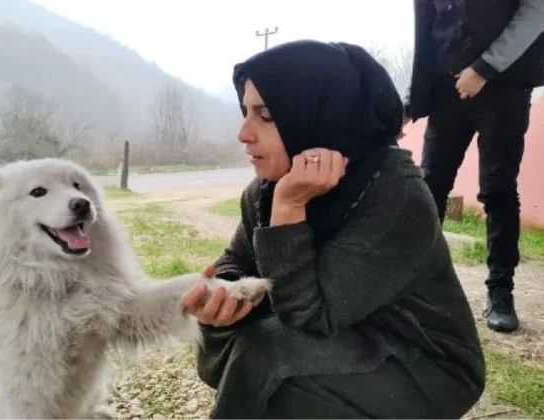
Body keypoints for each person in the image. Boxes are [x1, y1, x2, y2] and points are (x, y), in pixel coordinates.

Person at [180, 40, 485, 420]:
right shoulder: (266, 190)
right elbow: (236, 263)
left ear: (317, 114)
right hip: (348, 336)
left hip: (423, 360)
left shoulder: (396, 196)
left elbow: (310, 317)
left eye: (266, 116)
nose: (244, 133)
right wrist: (223, 299)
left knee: (267, 358)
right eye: (245, 112)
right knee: (244, 344)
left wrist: (290, 209)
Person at [402, 0, 544, 333]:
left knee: (498, 190)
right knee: (429, 187)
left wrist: (484, 69)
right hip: (446, 90)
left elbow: (536, 8)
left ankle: (500, 292)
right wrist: (411, 100)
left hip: (504, 89)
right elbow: (427, 34)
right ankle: (413, 286)